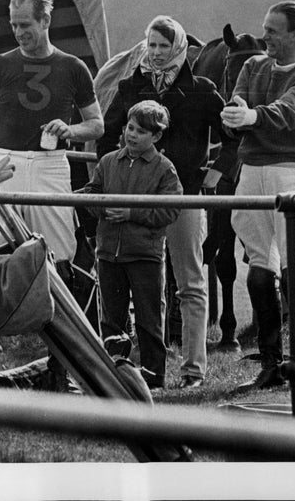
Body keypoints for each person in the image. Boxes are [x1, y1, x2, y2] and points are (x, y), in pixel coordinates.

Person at [0, 0, 104, 390]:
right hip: (4, 164)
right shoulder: (0, 66)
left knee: (59, 261)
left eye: (26, 25)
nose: (19, 32)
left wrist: (69, 130)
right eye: (14, 25)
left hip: (50, 166)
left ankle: (63, 367)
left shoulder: (73, 67)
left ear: (45, 21)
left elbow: (98, 124)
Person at [96, 15, 237, 389]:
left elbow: (234, 135)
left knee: (190, 282)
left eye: (163, 46)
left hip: (185, 195)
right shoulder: (131, 86)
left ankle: (193, 369)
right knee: (146, 285)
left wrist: (219, 168)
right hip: (137, 201)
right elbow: (107, 136)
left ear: (178, 48)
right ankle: (142, 371)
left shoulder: (203, 90)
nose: (157, 54)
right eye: (151, 45)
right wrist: (113, 176)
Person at [222, 1, 295, 392]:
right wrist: (235, 115)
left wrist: (251, 117)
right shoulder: (253, 66)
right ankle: (270, 364)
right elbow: (239, 102)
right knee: (259, 265)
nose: (264, 36)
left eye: (272, 30)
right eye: (265, 28)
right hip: (253, 168)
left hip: (294, 169)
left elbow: (284, 113)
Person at [81, 100, 182, 388]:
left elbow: (170, 210)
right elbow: (91, 192)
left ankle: (153, 374)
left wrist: (131, 213)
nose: (132, 135)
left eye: (141, 131)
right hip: (109, 253)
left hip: (144, 254)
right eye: (130, 128)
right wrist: (101, 207)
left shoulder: (164, 169)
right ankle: (115, 371)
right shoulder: (108, 162)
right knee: (112, 318)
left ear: (157, 137)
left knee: (148, 317)